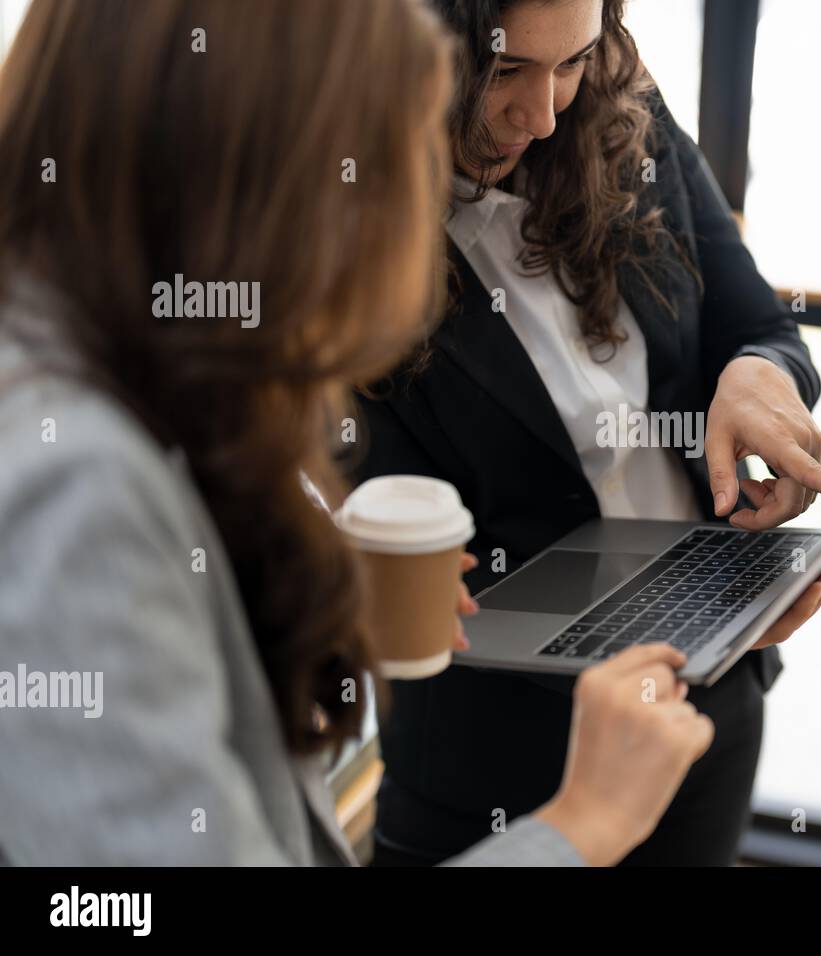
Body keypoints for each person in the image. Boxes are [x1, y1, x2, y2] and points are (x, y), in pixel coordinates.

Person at [0, 0, 712, 866]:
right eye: (380, 161)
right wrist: (583, 825)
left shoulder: (143, 375)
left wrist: (313, 603)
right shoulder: (77, 481)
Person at [354, 0, 821, 867]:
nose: (543, 114)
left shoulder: (628, 118)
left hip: (701, 708)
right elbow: (356, 505)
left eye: (573, 61)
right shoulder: (333, 226)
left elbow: (764, 330)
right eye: (505, 70)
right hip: (493, 769)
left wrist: (760, 379)